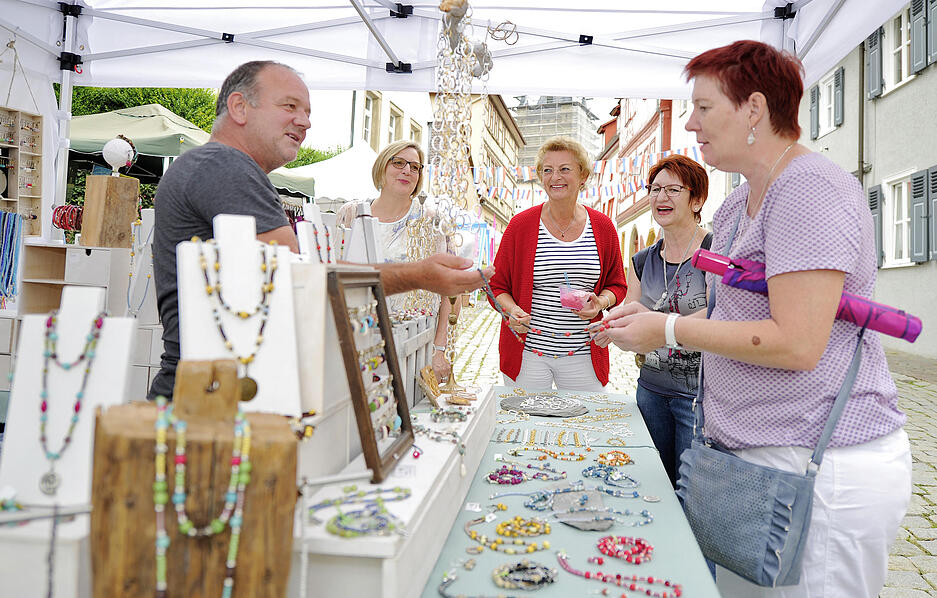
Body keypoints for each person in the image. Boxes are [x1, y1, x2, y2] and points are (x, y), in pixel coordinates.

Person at [594, 41, 910, 597]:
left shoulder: (811, 188)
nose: (690, 123)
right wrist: (643, 314)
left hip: (819, 464)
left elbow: (799, 343)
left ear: (755, 110)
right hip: (752, 462)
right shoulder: (736, 205)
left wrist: (665, 330)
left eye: (704, 107)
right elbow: (736, 312)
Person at [150, 61, 490, 399]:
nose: (305, 121)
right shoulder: (225, 166)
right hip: (208, 398)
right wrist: (417, 276)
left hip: (213, 388)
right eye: (290, 106)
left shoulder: (221, 167)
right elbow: (304, 281)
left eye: (308, 112)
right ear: (239, 107)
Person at [488, 136, 626, 391]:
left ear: (583, 176)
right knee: (526, 425)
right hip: (528, 353)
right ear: (540, 177)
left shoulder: (603, 227)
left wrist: (601, 302)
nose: (555, 177)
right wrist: (511, 311)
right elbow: (496, 286)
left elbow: (617, 285)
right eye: (547, 170)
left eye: (565, 169)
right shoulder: (520, 225)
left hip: (584, 353)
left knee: (582, 426)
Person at [337, 140, 457, 382]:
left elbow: (449, 292)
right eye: (399, 163)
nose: (407, 171)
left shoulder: (431, 220)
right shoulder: (351, 215)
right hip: (358, 337)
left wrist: (440, 350)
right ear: (382, 167)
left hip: (415, 343)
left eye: (415, 167)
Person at [625, 154, 712, 489]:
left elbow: (718, 315)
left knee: (692, 492)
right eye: (655, 189)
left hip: (700, 398)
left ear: (697, 200)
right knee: (651, 486)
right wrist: (606, 318)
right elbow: (631, 316)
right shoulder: (642, 260)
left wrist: (659, 328)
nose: (661, 197)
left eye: (673, 189)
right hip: (650, 392)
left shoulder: (715, 250)